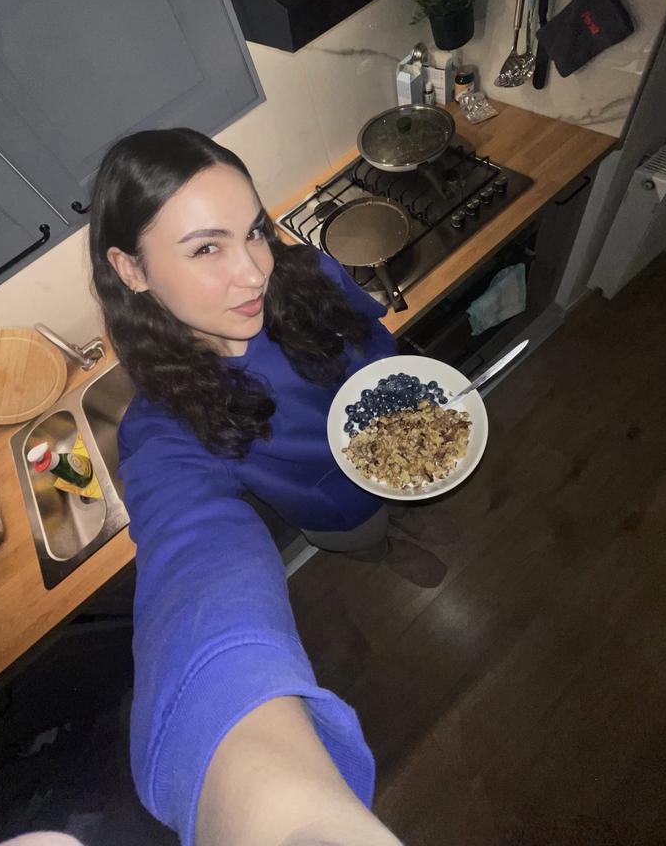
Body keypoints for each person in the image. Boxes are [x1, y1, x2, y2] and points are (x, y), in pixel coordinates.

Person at [88, 129, 441, 844]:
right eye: (205, 249)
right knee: (367, 534)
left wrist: (408, 405)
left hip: (399, 439)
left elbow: (375, 340)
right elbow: (193, 573)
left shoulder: (304, 269)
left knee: (417, 497)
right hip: (335, 506)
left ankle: (409, 517)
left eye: (252, 231)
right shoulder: (166, 425)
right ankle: (383, 549)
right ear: (130, 269)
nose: (253, 273)